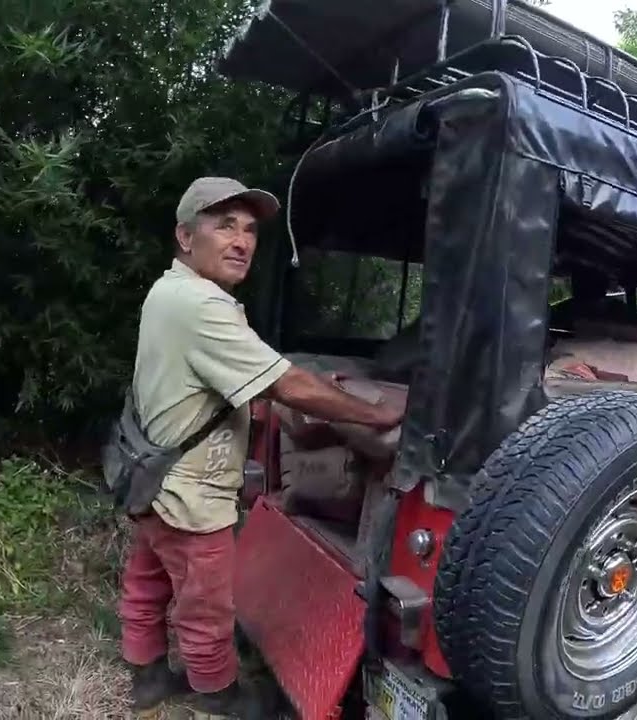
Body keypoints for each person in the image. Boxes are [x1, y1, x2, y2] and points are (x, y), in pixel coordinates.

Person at [119, 177, 403, 718]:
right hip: (190, 494)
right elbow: (287, 384)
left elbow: (229, 383)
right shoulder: (202, 305)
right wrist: (376, 413)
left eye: (249, 230)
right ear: (185, 236)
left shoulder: (166, 291)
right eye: (224, 225)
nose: (242, 241)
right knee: (206, 605)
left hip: (151, 476)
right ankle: (219, 693)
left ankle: (148, 677)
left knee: (149, 577)